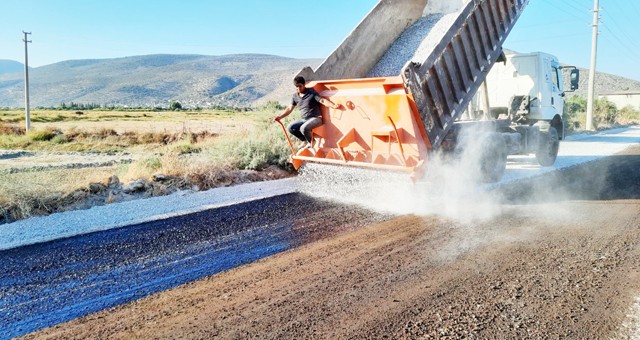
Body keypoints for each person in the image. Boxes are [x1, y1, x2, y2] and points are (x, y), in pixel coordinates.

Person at [273, 75, 341, 149]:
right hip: (304, 119)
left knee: (303, 128)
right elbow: (289, 108)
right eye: (296, 87)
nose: (298, 88)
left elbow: (322, 100)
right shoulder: (295, 96)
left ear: (304, 85)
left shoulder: (312, 93)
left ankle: (312, 141)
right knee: (290, 127)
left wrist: (333, 105)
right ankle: (304, 140)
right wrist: (280, 117)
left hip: (316, 118)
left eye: (300, 86)